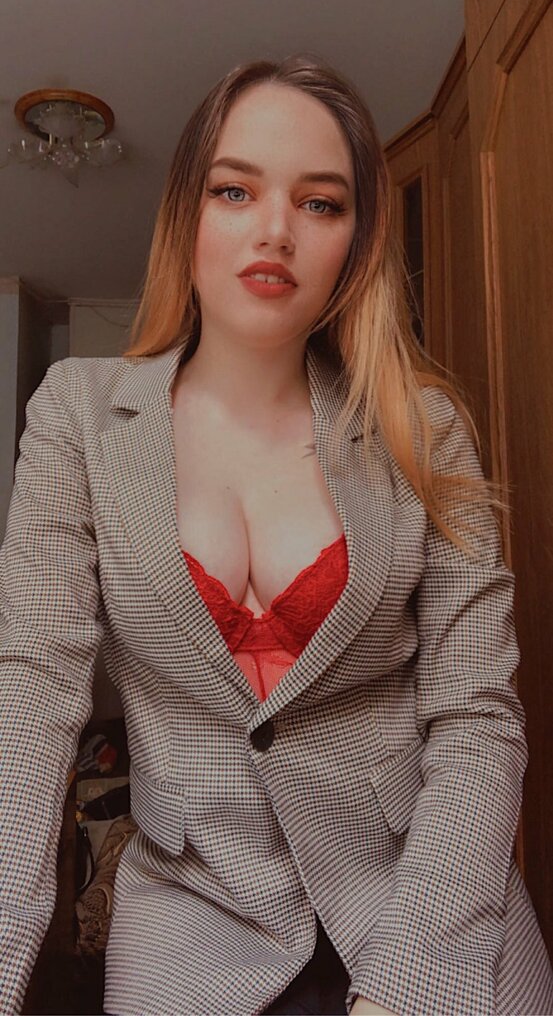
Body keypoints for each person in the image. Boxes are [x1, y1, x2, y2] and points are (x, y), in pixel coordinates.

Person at [0, 54, 551, 1016]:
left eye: (320, 203)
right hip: (190, 933)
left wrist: (409, 988)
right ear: (186, 212)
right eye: (234, 189)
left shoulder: (422, 429)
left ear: (355, 242)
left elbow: (477, 717)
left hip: (427, 904)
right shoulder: (76, 416)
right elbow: (31, 697)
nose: (274, 230)